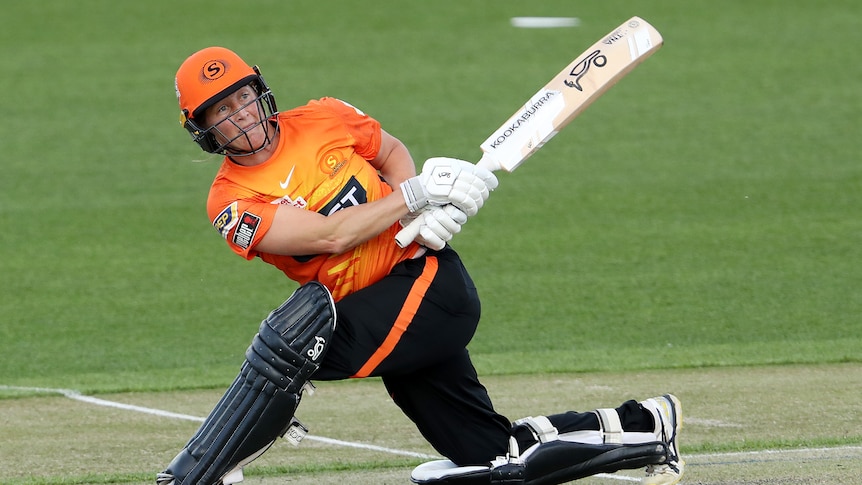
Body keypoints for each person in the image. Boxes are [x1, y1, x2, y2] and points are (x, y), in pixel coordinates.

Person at [159, 46, 684, 485]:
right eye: (221, 111)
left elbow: (391, 152)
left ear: (260, 92)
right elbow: (330, 234)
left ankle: (210, 467)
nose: (241, 115)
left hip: (426, 286)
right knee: (494, 457)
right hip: (387, 318)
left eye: (243, 98)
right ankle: (645, 427)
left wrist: (422, 212)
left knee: (292, 344)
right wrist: (413, 197)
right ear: (204, 130)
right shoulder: (230, 201)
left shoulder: (324, 116)